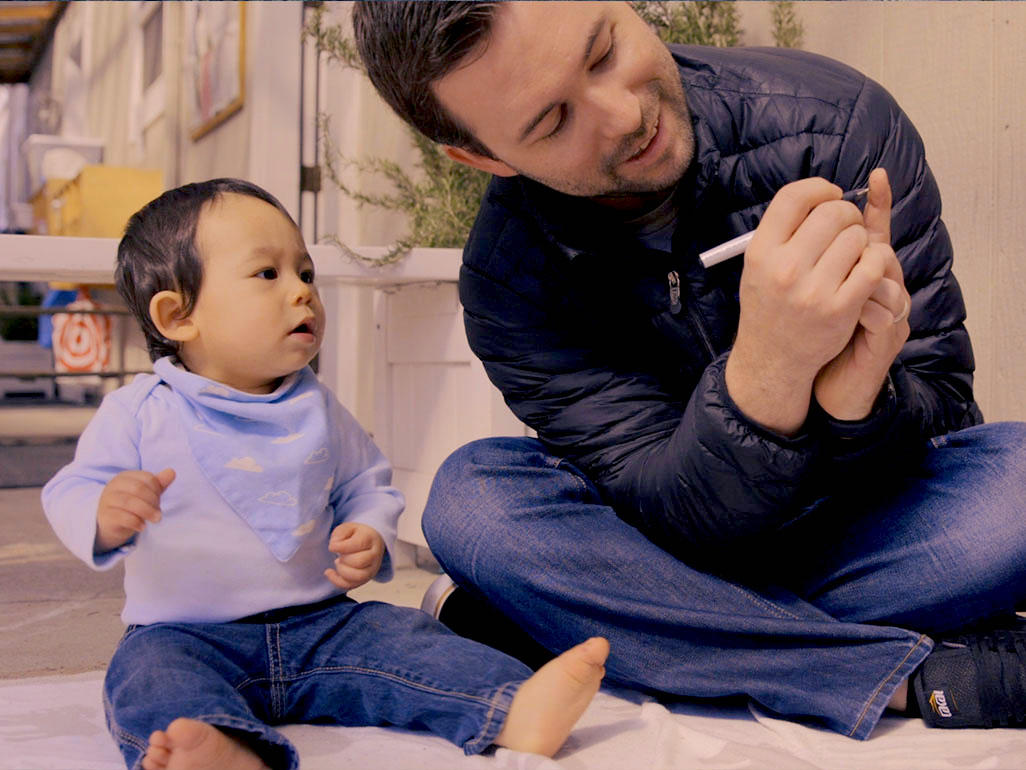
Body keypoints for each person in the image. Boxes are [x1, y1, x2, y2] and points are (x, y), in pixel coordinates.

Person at [351, 1, 1026, 740]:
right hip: (665, 547)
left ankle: (593, 630)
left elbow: (945, 418)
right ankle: (904, 678)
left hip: (850, 533)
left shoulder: (834, 120)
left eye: (604, 50)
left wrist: (859, 402)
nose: (622, 114)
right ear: (484, 158)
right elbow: (669, 515)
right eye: (551, 123)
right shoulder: (508, 278)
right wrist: (765, 378)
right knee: (472, 501)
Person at [41, 178, 609, 770]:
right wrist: (105, 510)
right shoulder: (141, 411)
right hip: (187, 634)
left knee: (408, 641)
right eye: (269, 275)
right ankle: (221, 747)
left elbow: (365, 484)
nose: (302, 294)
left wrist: (368, 530)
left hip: (325, 625)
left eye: (306, 274)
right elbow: (71, 489)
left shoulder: (319, 408)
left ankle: (513, 706)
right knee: (146, 680)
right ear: (178, 314)